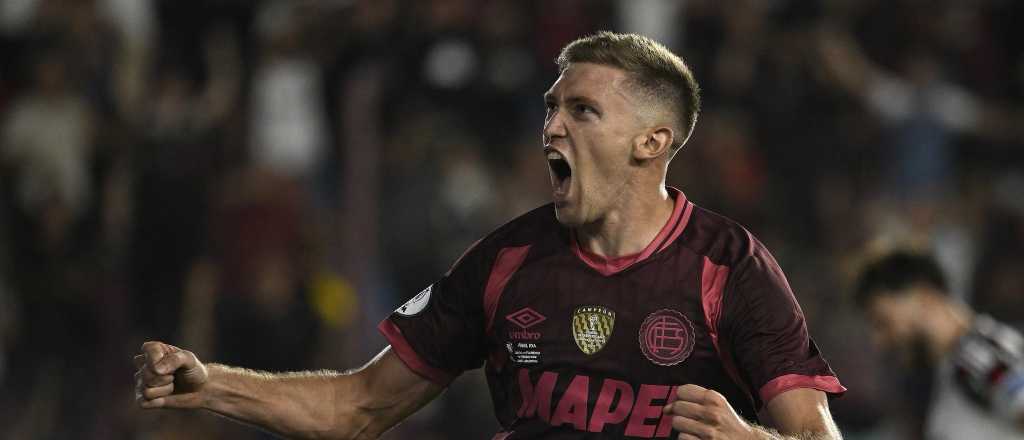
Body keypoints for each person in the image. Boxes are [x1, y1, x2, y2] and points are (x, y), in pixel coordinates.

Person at [135, 32, 846, 439]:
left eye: (582, 110)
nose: (552, 127)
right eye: (550, 108)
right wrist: (210, 384)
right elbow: (356, 407)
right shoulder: (506, 261)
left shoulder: (730, 267)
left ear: (651, 142)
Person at [855, 250, 1024, 439]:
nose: (880, 341)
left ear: (925, 296)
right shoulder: (956, 364)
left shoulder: (979, 355)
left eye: (883, 321)